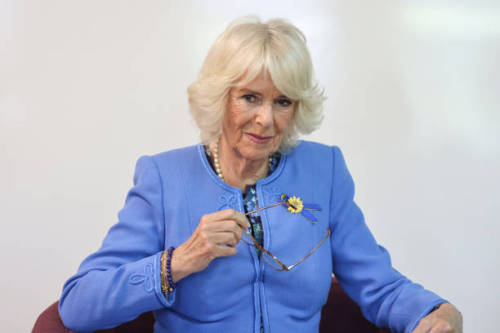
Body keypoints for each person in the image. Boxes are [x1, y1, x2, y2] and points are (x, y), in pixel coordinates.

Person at [58, 16, 462, 333]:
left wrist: (434, 311)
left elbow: (379, 285)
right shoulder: (164, 179)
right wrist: (179, 261)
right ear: (221, 98)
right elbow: (78, 305)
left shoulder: (324, 171)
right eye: (250, 97)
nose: (265, 119)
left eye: (282, 101)